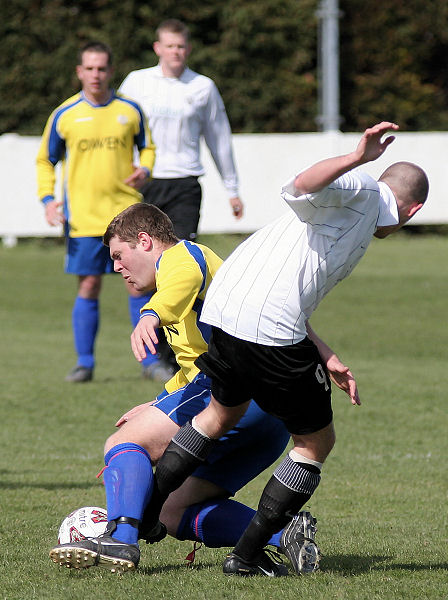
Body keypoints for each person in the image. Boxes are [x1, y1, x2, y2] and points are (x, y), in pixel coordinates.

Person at [130, 122, 429, 577]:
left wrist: (324, 353)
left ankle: (146, 518)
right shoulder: (368, 190)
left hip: (226, 316)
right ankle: (245, 558)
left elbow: (287, 281)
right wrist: (357, 157)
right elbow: (301, 183)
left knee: (217, 415)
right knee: (315, 442)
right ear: (416, 208)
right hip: (265, 328)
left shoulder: (357, 215)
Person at [49, 203, 358, 575]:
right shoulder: (199, 277)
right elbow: (194, 362)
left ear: (144, 241)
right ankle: (283, 533)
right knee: (173, 511)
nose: (116, 267)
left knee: (122, 444)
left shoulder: (183, 257)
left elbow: (182, 282)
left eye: (118, 255)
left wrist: (150, 313)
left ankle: (121, 538)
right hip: (269, 415)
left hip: (230, 395)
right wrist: (160, 402)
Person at [118, 19, 244, 376]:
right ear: (158, 48)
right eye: (169, 46)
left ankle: (184, 353)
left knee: (180, 263)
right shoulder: (137, 82)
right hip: (147, 184)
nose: (176, 52)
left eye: (181, 46)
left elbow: (219, 138)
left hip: (186, 183)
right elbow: (119, 128)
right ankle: (151, 356)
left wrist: (232, 189)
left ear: (188, 50)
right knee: (141, 264)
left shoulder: (202, 87)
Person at [36, 41, 159, 383]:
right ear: (79, 71)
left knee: (138, 287)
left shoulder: (130, 110)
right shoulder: (65, 114)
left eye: (101, 68)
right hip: (84, 218)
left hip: (127, 217)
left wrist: (145, 170)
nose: (96, 75)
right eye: (89, 68)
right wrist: (48, 200)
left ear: (110, 70)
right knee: (89, 285)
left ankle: (150, 363)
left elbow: (147, 147)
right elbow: (46, 159)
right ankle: (85, 363)